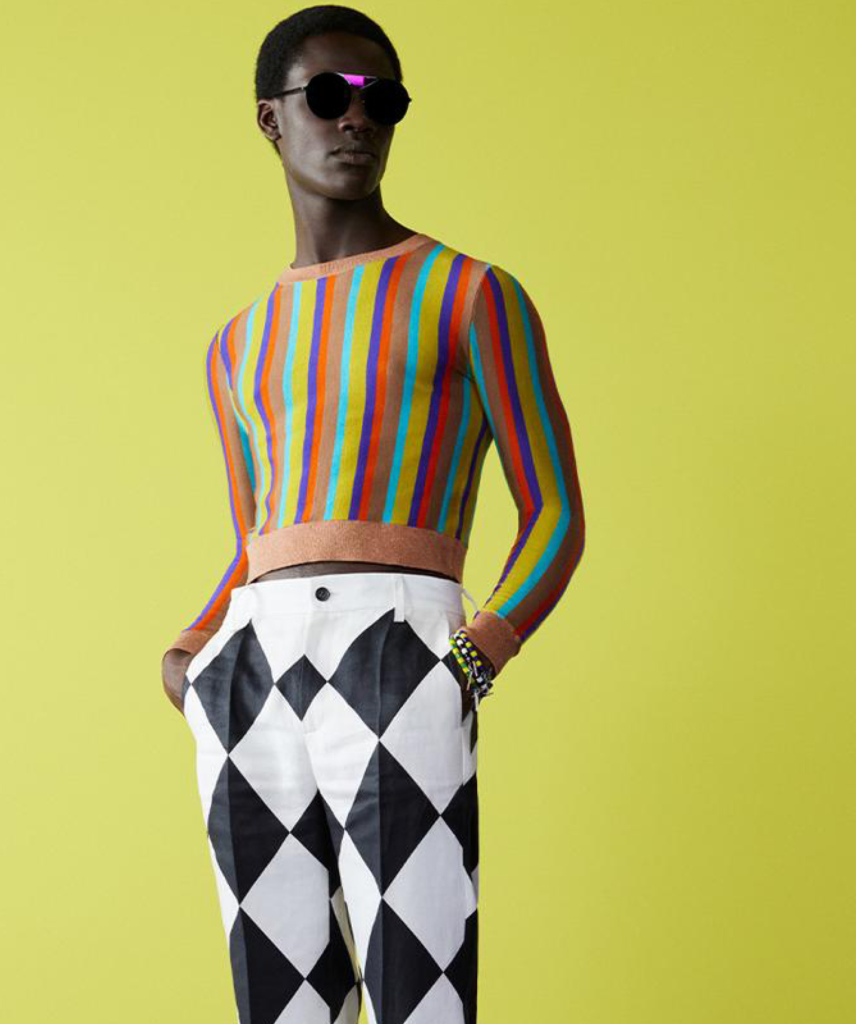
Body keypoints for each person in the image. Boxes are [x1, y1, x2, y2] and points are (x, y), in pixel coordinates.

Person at [161, 6, 586, 1022]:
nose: (356, 119)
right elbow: (255, 542)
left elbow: (555, 512)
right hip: (249, 665)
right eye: (327, 96)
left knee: (418, 988)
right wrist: (190, 653)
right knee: (281, 997)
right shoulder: (234, 345)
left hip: (398, 647)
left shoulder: (470, 294)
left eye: (381, 100)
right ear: (271, 118)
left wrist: (473, 657)